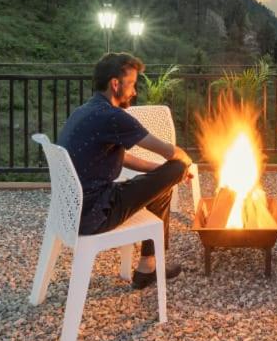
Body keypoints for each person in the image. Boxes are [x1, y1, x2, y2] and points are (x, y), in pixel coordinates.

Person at [57, 52, 192, 289]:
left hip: (73, 210)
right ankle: (149, 266)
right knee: (178, 167)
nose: (134, 92)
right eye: (131, 84)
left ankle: (147, 267)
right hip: (97, 212)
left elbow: (124, 158)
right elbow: (168, 151)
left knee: (163, 187)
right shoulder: (112, 116)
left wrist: (160, 173)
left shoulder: (84, 111)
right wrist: (184, 164)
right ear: (115, 84)